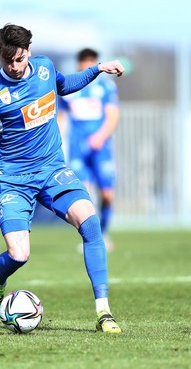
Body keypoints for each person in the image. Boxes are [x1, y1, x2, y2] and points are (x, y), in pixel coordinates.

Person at [0, 24, 124, 333]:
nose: (15, 67)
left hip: (52, 169)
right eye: (8, 61)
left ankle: (104, 312)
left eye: (20, 59)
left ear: (29, 51)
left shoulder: (44, 68)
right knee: (19, 255)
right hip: (13, 181)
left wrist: (98, 69)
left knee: (90, 222)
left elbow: (64, 84)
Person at [58, 48, 120, 252]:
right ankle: (91, 238)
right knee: (83, 194)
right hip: (78, 148)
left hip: (101, 148)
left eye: (90, 62)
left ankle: (105, 231)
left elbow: (112, 116)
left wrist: (100, 137)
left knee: (107, 194)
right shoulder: (71, 89)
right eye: (84, 63)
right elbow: (61, 118)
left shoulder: (106, 87)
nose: (87, 66)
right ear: (79, 65)